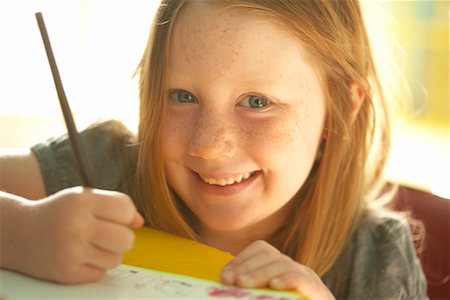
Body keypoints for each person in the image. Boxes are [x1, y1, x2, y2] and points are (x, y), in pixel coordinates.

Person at [0, 0, 426, 298]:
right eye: (182, 96)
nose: (209, 146)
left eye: (257, 102)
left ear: (340, 111)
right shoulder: (103, 170)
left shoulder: (377, 260)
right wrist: (21, 233)